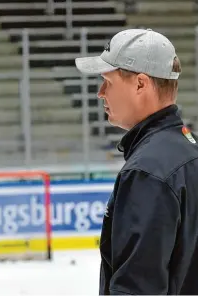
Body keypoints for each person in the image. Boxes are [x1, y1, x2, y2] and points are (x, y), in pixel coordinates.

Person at [75, 28, 198, 295]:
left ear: (140, 84)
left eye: (108, 81)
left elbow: (138, 288)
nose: (100, 93)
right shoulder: (189, 150)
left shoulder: (147, 171)